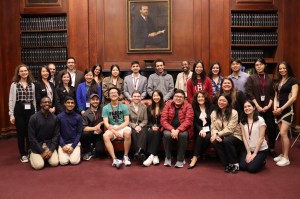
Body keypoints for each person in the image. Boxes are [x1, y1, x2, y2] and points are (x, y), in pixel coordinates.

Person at [245, 58, 277, 157]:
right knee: (255, 129)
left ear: (265, 65)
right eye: (257, 65)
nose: (258, 67)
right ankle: (256, 148)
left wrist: (269, 105)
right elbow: (249, 93)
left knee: (272, 128)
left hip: (267, 107)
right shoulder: (251, 77)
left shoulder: (270, 78)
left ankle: (271, 148)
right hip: (256, 107)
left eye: (260, 65)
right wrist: (257, 106)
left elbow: (272, 94)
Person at [9, 64, 37, 163]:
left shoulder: (32, 84)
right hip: (19, 109)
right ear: (18, 73)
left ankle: (29, 152)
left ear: (28, 72)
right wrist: (11, 114)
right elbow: (11, 100)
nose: (24, 72)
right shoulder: (14, 84)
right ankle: (23, 154)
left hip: (30, 109)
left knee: (30, 132)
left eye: (25, 70)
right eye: (21, 71)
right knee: (21, 133)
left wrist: (36, 112)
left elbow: (33, 99)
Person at [273, 61, 298, 167]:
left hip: (287, 110)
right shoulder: (278, 81)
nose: (282, 70)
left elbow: (294, 97)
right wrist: (275, 108)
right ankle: (283, 154)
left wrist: (282, 108)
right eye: (280, 68)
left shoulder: (293, 80)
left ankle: (286, 158)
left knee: (283, 133)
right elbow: (275, 96)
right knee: (282, 133)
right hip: (278, 110)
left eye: (284, 68)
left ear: (288, 69)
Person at [161, 89, 194, 168]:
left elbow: (188, 121)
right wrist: (172, 130)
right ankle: (168, 157)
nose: (178, 98)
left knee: (183, 135)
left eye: (181, 97)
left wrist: (178, 130)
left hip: (184, 129)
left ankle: (180, 159)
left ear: (184, 99)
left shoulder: (188, 106)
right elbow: (163, 120)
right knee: (167, 134)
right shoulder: (168, 105)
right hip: (169, 129)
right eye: (176, 96)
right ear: (173, 97)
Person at [210, 94, 243, 173]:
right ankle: (227, 163)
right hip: (221, 135)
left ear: (228, 103)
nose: (221, 102)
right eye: (220, 100)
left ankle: (235, 164)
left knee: (227, 141)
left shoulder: (234, 112)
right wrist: (215, 135)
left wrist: (217, 134)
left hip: (235, 135)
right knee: (214, 141)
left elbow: (230, 129)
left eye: (224, 101)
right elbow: (213, 127)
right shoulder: (214, 113)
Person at [102, 87, 132, 169]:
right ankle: (114, 159)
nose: (113, 94)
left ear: (118, 95)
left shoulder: (124, 106)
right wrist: (113, 131)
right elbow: (106, 122)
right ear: (109, 96)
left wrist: (117, 129)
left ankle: (125, 156)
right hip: (112, 128)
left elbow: (127, 121)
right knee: (105, 136)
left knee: (127, 133)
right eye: (111, 93)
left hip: (123, 126)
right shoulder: (105, 108)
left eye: (115, 92)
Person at [28, 97, 59, 170]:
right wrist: (41, 152)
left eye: (49, 102)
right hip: (37, 146)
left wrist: (51, 150)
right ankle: (31, 154)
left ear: (51, 104)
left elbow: (56, 135)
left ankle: (45, 158)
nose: (47, 104)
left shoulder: (55, 118)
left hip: (49, 145)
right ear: (41, 104)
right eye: (45, 102)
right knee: (39, 166)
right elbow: (31, 138)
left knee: (55, 163)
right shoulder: (33, 118)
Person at [239, 100, 268, 173]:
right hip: (249, 149)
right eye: (245, 107)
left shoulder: (260, 120)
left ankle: (263, 161)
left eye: (249, 106)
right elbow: (244, 138)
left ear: (254, 107)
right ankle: (254, 159)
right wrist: (248, 152)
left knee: (251, 169)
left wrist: (254, 154)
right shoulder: (242, 121)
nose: (247, 108)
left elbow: (261, 138)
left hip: (261, 150)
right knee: (242, 167)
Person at [188, 91, 213, 169]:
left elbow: (213, 121)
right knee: (200, 135)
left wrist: (206, 130)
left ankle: (196, 156)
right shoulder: (194, 107)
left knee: (208, 137)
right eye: (199, 97)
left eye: (202, 96)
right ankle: (195, 158)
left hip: (209, 129)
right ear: (196, 98)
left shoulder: (211, 107)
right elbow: (194, 122)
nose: (200, 98)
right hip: (197, 129)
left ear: (205, 98)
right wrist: (200, 129)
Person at [57, 96, 82, 165]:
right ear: (65, 104)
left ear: (74, 104)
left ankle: (77, 151)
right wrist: (62, 145)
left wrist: (73, 146)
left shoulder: (78, 117)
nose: (70, 104)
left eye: (72, 103)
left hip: (74, 143)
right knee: (63, 162)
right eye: (68, 103)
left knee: (74, 162)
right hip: (63, 143)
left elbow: (79, 133)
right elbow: (57, 133)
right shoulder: (59, 117)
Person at [143, 90, 164, 166]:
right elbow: (147, 120)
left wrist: (159, 127)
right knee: (150, 132)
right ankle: (155, 155)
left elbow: (166, 120)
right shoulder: (149, 107)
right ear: (152, 97)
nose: (156, 97)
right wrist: (152, 126)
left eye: (158, 95)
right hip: (152, 127)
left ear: (161, 97)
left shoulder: (165, 107)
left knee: (157, 132)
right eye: (154, 96)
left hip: (162, 127)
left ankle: (150, 156)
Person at [82, 93, 105, 160]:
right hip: (91, 134)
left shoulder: (103, 109)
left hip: (100, 134)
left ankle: (95, 149)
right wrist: (95, 128)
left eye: (97, 99)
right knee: (84, 134)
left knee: (100, 152)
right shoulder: (85, 113)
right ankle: (88, 151)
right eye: (93, 99)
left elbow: (108, 119)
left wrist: (100, 123)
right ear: (90, 101)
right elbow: (84, 128)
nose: (95, 101)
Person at [128, 91, 148, 164]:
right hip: (132, 126)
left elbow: (145, 120)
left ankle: (138, 153)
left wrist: (140, 126)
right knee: (134, 132)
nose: (136, 98)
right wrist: (135, 126)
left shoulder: (144, 107)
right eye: (135, 96)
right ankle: (141, 153)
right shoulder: (127, 107)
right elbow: (127, 121)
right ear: (132, 97)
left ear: (140, 97)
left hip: (142, 125)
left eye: (138, 96)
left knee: (143, 131)